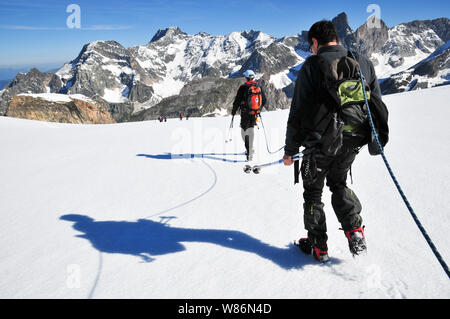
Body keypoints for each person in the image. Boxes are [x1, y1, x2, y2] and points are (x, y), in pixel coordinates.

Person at [283, 20, 383, 262]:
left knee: (313, 193)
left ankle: (319, 246)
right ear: (336, 38)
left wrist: (290, 150)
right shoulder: (361, 61)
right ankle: (355, 230)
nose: (311, 50)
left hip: (318, 145)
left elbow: (296, 112)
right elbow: (376, 101)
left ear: (315, 42)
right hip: (353, 140)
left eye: (311, 46)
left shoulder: (311, 66)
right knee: (338, 183)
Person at [232, 70, 267, 161]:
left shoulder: (243, 87)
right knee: (251, 129)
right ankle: (250, 148)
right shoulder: (259, 87)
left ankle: (249, 150)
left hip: (245, 113)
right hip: (254, 113)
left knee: (244, 131)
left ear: (246, 78)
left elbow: (237, 101)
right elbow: (264, 100)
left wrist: (233, 111)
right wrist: (258, 109)